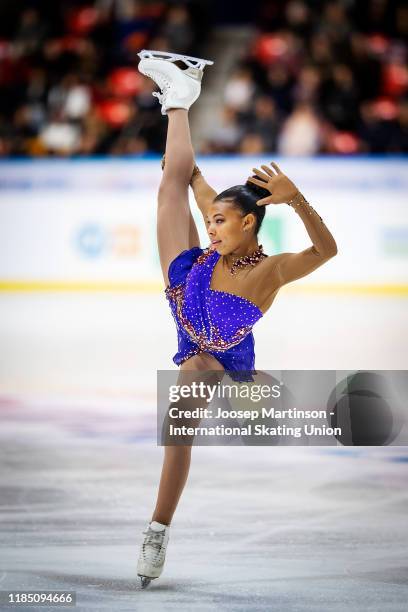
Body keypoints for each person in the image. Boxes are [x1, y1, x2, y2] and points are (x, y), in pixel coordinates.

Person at [135, 49, 338, 588]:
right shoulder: (208, 250)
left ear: (249, 224)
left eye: (220, 222)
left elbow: (326, 252)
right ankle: (178, 100)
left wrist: (299, 204)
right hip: (186, 289)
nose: (212, 227)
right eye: (211, 220)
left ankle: (158, 527)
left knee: (198, 408)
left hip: (222, 357)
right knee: (169, 186)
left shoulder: (269, 271)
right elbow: (192, 178)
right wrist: (182, 161)